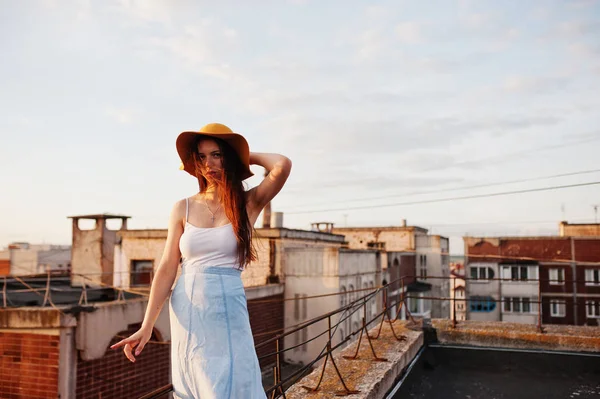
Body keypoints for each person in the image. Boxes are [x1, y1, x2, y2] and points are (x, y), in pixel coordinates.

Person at [110, 122, 292, 399]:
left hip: (227, 305)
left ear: (229, 158)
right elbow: (168, 267)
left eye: (217, 154)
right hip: (187, 306)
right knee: (194, 375)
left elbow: (282, 164)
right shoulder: (182, 207)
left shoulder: (248, 202)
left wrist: (243, 155)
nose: (208, 163)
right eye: (202, 156)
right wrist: (147, 326)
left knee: (233, 376)